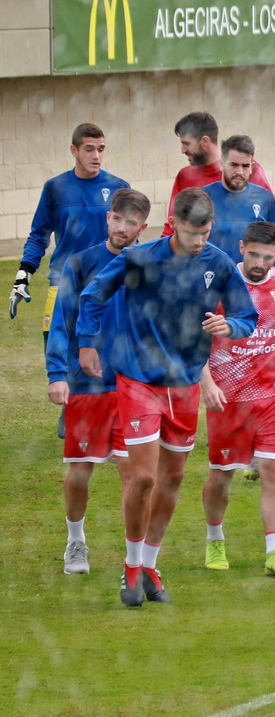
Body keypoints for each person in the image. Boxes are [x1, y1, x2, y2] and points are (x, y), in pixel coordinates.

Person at [77, 188, 259, 609]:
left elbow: (247, 317)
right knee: (142, 478)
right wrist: (88, 344)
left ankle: (151, 565)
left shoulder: (217, 262)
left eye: (206, 233)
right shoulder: (142, 259)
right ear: (173, 223)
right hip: (139, 379)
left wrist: (228, 325)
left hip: (185, 385)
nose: (199, 241)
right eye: (192, 232)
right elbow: (93, 295)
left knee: (173, 478)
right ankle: (131, 563)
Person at [198, 220, 275, 578]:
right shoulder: (219, 283)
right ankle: (215, 538)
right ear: (242, 247)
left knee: (273, 470)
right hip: (227, 397)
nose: (259, 263)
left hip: (273, 395)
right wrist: (206, 384)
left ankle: (274, 552)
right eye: (253, 254)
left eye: (267, 256)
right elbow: (193, 339)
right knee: (221, 475)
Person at [45, 188, 150, 575]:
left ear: (143, 227)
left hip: (133, 385)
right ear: (108, 218)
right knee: (79, 471)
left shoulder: (148, 263)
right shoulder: (81, 262)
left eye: (131, 222)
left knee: (135, 474)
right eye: (117, 219)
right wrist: (57, 373)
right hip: (87, 386)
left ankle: (134, 560)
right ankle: (75, 541)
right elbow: (62, 321)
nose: (122, 228)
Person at [14, 123, 130, 346]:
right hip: (63, 284)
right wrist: (23, 275)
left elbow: (131, 238)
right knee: (57, 354)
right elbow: (39, 236)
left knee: (106, 359)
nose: (96, 156)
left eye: (101, 149)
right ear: (73, 150)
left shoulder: (119, 187)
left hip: (107, 283)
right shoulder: (55, 188)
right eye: (89, 149)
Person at [164, 112, 275, 237]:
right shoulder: (185, 176)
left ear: (204, 141)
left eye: (187, 144)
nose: (183, 150)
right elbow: (172, 225)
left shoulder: (252, 170)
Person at [198, 136, 275, 264]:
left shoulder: (265, 199)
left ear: (252, 167)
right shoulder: (203, 198)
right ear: (221, 164)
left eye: (245, 166)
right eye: (234, 165)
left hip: (254, 280)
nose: (240, 172)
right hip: (214, 279)